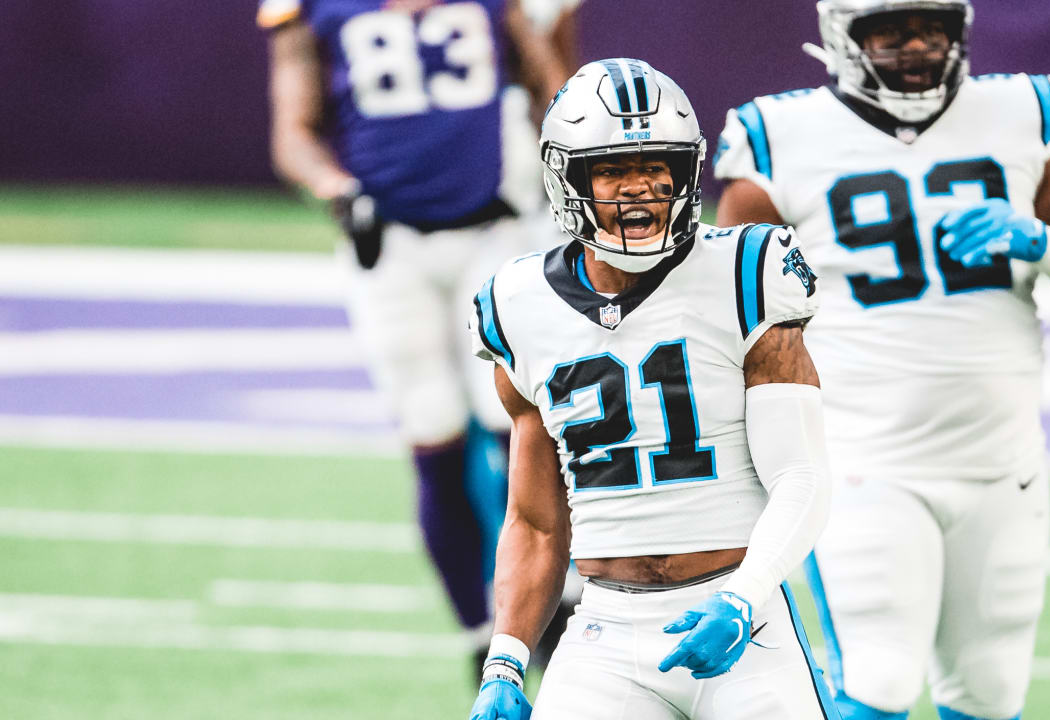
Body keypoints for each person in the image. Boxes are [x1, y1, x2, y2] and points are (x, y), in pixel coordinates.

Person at [714, 2, 1050, 719]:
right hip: (860, 460)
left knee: (989, 695)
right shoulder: (779, 137)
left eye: (932, 27)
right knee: (876, 683)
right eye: (891, 31)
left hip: (1003, 464)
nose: (917, 47)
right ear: (842, 36)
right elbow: (727, 316)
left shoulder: (1023, 112)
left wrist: (1043, 242)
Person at [466, 59, 838, 720]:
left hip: (742, 621)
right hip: (605, 630)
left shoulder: (746, 272)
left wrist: (744, 598)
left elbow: (803, 477)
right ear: (568, 178)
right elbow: (535, 521)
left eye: (655, 167)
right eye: (612, 169)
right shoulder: (517, 305)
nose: (639, 189)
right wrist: (506, 658)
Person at [258, 0, 568, 676]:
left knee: (520, 421)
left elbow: (555, 89)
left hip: (495, 227)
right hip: (390, 246)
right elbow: (295, 134)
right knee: (434, 435)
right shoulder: (316, 11)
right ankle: (478, 629)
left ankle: (559, 598)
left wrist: (563, 169)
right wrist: (338, 189)